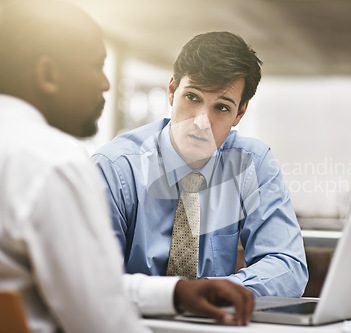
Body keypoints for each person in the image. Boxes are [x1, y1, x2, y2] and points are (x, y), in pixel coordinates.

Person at [0, 1, 253, 332]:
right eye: (95, 65)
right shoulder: (54, 163)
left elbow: (89, 286)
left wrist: (174, 291)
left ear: (239, 113)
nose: (106, 83)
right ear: (48, 74)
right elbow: (102, 319)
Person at [92, 31, 309, 298]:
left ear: (239, 113)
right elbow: (93, 282)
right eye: (192, 97)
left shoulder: (252, 163)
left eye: (222, 108)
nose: (201, 121)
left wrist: (214, 293)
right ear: (172, 91)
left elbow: (288, 266)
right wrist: (175, 296)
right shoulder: (115, 169)